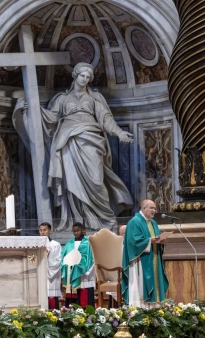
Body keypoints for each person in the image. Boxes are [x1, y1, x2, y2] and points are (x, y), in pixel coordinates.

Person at [13, 62, 134, 230]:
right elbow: (50, 118)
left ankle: (104, 218)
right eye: (82, 76)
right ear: (75, 76)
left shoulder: (95, 98)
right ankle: (79, 222)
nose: (84, 79)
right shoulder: (62, 99)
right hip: (67, 141)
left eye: (87, 77)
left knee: (96, 180)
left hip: (91, 139)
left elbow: (105, 118)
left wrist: (119, 133)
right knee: (71, 182)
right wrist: (30, 110)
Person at [121, 199, 169, 307]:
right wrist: (149, 241)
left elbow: (156, 237)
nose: (154, 210)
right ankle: (141, 308)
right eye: (151, 208)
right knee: (141, 286)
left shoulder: (153, 223)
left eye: (155, 208)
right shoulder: (134, 222)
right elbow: (133, 241)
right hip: (140, 260)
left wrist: (161, 241)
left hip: (154, 257)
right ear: (143, 208)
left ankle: (155, 308)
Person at [60, 222, 95, 308]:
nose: (76, 232)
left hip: (85, 273)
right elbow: (63, 256)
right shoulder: (69, 243)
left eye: (78, 230)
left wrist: (84, 270)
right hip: (71, 272)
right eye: (74, 231)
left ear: (83, 231)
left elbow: (92, 257)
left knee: (84, 296)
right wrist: (65, 265)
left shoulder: (88, 242)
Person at [39, 222, 61, 309]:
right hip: (40, 275)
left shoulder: (55, 244)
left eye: (44, 230)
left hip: (52, 275)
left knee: (51, 296)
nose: (42, 232)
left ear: (50, 231)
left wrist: (48, 269)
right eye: (40, 230)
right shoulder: (36, 245)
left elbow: (58, 260)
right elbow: (32, 258)